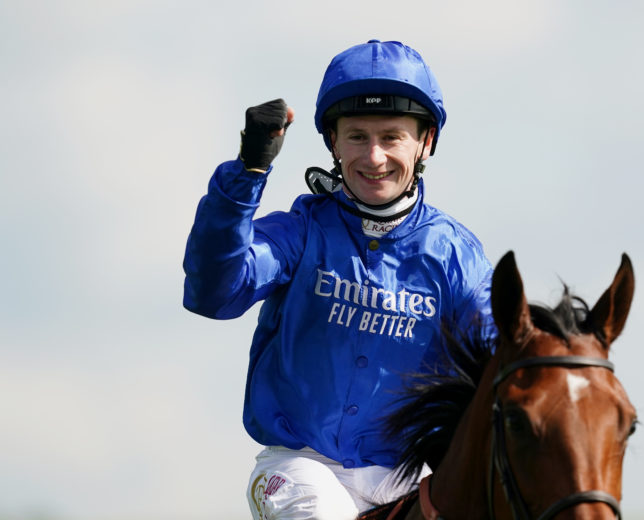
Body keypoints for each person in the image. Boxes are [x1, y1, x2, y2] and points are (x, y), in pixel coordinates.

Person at [183, 39, 496, 520]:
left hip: (406, 478)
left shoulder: (456, 254)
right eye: (356, 137)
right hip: (299, 469)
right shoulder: (301, 230)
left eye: (392, 137)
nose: (373, 158)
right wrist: (247, 172)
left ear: (425, 141)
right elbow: (215, 291)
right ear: (332, 142)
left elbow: (502, 359)